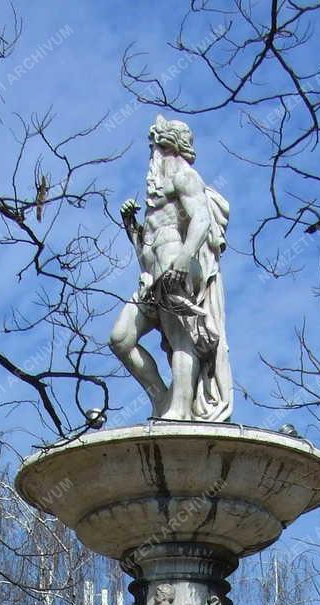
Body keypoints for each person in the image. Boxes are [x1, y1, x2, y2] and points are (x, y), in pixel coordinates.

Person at [111, 115, 232, 422]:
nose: (156, 155)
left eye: (162, 148)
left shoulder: (185, 177)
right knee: (121, 339)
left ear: (175, 149)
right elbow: (147, 246)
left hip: (175, 264)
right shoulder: (156, 192)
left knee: (181, 338)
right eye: (155, 148)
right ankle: (163, 399)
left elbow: (201, 219)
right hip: (150, 273)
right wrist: (132, 228)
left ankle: (180, 409)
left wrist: (186, 256)